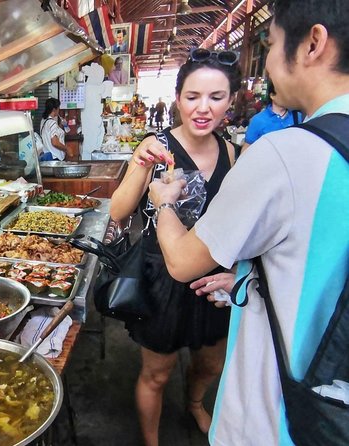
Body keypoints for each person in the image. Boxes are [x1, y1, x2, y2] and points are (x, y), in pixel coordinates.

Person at [147, 0, 349, 444]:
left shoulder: (286, 152)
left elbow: (182, 262)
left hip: (277, 411)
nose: (271, 62)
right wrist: (249, 274)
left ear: (312, 43)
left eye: (272, 43)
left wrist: (162, 203)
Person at [110, 48, 241, 446]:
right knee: (157, 373)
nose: (203, 108)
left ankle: (196, 402)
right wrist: (139, 164)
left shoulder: (234, 153)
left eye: (216, 98)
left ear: (230, 102)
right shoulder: (156, 146)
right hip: (161, 275)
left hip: (213, 279)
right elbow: (118, 210)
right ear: (178, 98)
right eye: (192, 97)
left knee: (209, 363)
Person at [242, 80, 295, 151]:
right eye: (283, 93)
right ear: (272, 95)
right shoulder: (258, 120)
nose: (288, 97)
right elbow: (247, 148)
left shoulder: (297, 117)